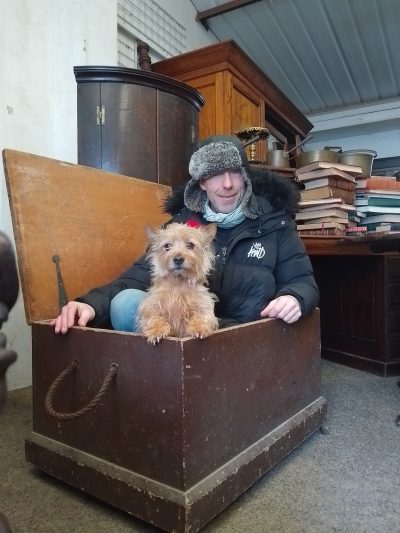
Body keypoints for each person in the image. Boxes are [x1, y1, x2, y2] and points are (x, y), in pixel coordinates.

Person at [52, 135, 319, 334]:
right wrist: (90, 304)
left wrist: (295, 297)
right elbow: (135, 277)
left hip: (247, 337)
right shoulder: (180, 226)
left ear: (245, 177)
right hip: (185, 339)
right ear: (202, 182)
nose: (227, 184)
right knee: (125, 303)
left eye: (234, 173)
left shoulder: (274, 223)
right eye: (216, 175)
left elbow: (303, 281)